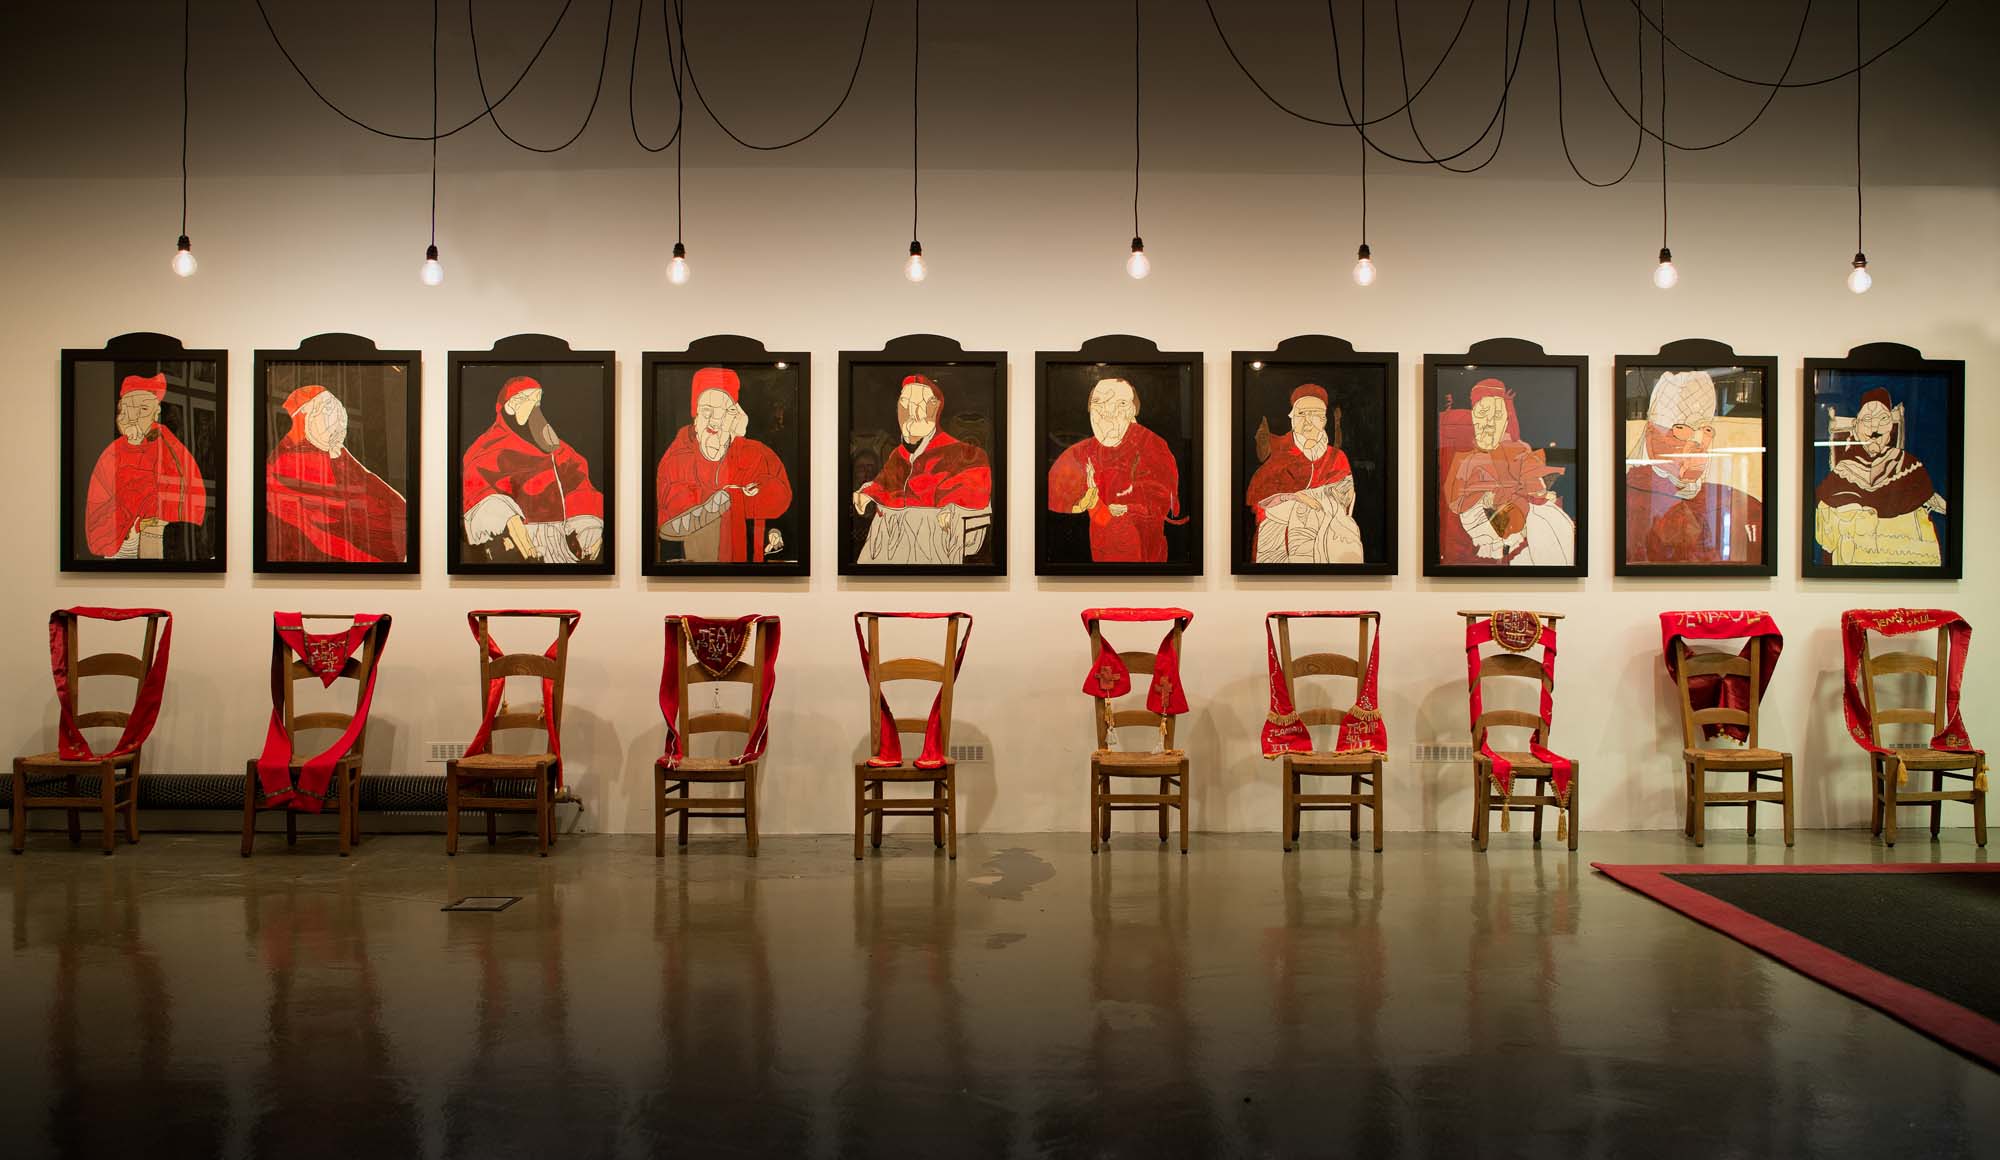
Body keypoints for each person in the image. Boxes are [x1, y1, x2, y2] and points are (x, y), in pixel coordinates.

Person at [1623, 370, 1763, 565]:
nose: (1697, 441)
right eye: (1681, 429)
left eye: (1706, 430)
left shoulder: (1737, 503)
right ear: (1650, 435)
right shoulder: (1628, 500)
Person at [851, 374, 993, 564]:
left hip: (932, 546)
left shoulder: (966, 453)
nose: (910, 412)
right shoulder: (898, 454)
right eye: (904, 405)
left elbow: (973, 490)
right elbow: (885, 484)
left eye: (917, 404)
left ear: (934, 408)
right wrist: (867, 494)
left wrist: (954, 509)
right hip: (887, 546)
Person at [460, 376, 604, 563]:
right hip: (511, 546)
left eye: (538, 402)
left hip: (560, 544)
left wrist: (589, 525)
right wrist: (505, 518)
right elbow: (474, 485)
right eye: (530, 400)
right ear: (511, 405)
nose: (535, 408)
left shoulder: (554, 447)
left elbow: (577, 480)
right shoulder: (487, 446)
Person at [655, 367, 793, 563]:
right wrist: (721, 500)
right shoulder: (677, 458)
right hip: (691, 572)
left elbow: (780, 497)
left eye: (725, 412)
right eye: (707, 410)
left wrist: (738, 496)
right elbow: (669, 518)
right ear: (695, 415)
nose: (715, 421)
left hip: (752, 570)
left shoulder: (756, 454)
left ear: (735, 415)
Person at [264, 384, 408, 564]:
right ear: (305, 416)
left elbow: (373, 489)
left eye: (338, 410)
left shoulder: (335, 452)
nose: (339, 419)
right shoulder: (284, 462)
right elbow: (311, 517)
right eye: (327, 409)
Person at [1046, 377, 1183, 563]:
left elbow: (1164, 502)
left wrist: (1128, 508)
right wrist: (1083, 504)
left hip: (1145, 562)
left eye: (1120, 404)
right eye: (1098, 403)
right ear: (1089, 409)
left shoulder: (1152, 446)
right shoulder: (1078, 454)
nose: (1107, 412)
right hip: (1094, 558)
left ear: (1133, 410)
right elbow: (1052, 502)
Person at [1441, 378, 1573, 566]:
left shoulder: (1517, 449)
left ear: (1506, 420)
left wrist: (1538, 495)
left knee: (1553, 520)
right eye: (1483, 413)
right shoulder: (1465, 459)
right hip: (1489, 527)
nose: (1490, 423)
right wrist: (1486, 496)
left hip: (1519, 522)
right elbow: (1456, 501)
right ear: (1474, 418)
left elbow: (1532, 482)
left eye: (1497, 415)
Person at [1815, 386, 1947, 566]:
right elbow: (1822, 506)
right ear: (1856, 427)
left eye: (1882, 419)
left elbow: (1929, 496)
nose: (1874, 427)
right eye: (1867, 419)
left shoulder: (1907, 464)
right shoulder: (1844, 470)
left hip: (1901, 551)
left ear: (1891, 427)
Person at [83, 373, 207, 559]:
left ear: (156, 412)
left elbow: (187, 498)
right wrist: (131, 525)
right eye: (129, 409)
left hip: (158, 542)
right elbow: (97, 511)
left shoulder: (171, 449)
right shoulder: (111, 454)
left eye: (143, 409)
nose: (134, 417)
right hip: (120, 547)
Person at [1246, 383, 1363, 564]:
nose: (1308, 420)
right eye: (1301, 413)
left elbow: (1345, 499)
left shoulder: (1336, 457)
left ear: (1324, 420)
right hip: (1281, 546)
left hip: (1328, 544)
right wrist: (1295, 499)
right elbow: (1258, 501)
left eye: (1315, 414)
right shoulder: (1277, 452)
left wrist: (1311, 499)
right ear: (1292, 418)